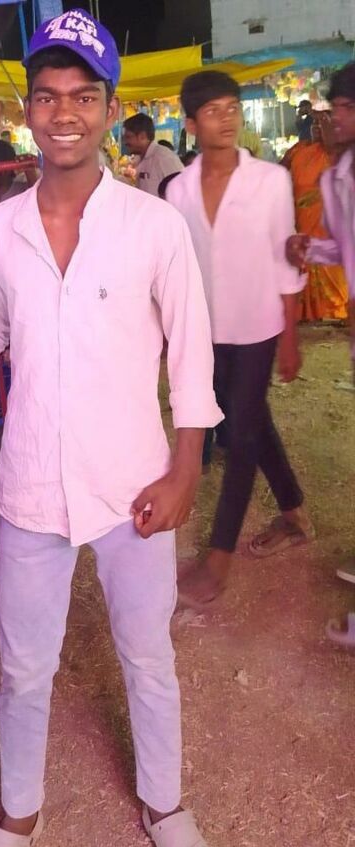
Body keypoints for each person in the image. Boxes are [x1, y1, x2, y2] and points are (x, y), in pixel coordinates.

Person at [0, 10, 220, 847]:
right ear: (26, 110)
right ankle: (19, 813)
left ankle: (165, 805)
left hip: (134, 481)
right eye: (46, 96)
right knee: (24, 666)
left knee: (147, 655)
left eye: (82, 96)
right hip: (32, 484)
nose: (63, 112)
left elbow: (192, 350)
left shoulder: (153, 225)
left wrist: (185, 469)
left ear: (109, 109)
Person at [166, 71, 311, 610]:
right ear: (191, 123)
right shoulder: (177, 191)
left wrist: (290, 337)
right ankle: (293, 512)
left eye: (232, 107)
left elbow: (285, 261)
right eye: (213, 111)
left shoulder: (270, 180)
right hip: (208, 332)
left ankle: (219, 557)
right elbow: (178, 270)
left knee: (240, 435)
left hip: (258, 328)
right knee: (251, 420)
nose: (227, 119)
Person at [286, 62, 355, 647]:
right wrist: (309, 247)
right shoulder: (337, 175)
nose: (335, 120)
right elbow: (346, 247)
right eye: (335, 110)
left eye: (347, 109)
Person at [286, 109, 349, 321]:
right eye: (314, 123)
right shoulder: (299, 151)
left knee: (334, 298)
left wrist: (319, 114)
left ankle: (334, 320)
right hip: (302, 232)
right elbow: (278, 174)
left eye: (324, 122)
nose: (317, 126)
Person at [122, 112, 183, 197]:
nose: (125, 142)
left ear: (142, 136)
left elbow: (181, 192)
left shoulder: (163, 158)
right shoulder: (140, 159)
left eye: (128, 137)